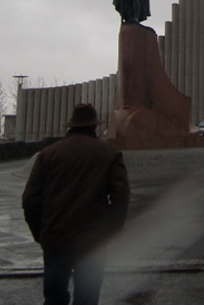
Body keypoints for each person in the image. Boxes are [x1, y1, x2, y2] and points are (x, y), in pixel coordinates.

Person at [22, 104, 130, 305]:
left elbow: (30, 199)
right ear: (93, 127)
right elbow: (120, 197)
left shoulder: (47, 154)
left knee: (54, 299)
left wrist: (41, 233)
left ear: (72, 126)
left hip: (55, 237)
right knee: (87, 298)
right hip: (92, 240)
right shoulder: (109, 153)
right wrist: (111, 231)